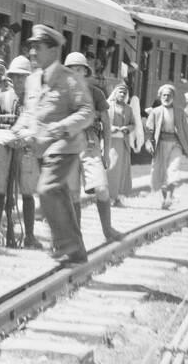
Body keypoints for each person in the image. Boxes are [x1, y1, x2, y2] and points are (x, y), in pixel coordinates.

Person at [12, 25, 94, 266]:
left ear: (53, 50)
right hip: (40, 147)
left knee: (47, 189)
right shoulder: (32, 80)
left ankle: (62, 244)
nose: (33, 53)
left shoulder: (71, 79)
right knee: (60, 196)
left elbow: (87, 111)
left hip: (64, 145)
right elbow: (29, 112)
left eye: (38, 48)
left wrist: (64, 126)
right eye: (31, 48)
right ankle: (77, 252)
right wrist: (15, 131)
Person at [64, 52, 123, 242]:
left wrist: (106, 153)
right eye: (71, 70)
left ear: (85, 71)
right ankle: (76, 235)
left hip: (90, 143)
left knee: (102, 188)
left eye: (79, 69)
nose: (75, 73)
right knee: (73, 193)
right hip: (68, 144)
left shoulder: (96, 93)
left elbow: (106, 123)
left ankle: (108, 230)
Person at [0, 55, 41, 248]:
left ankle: (29, 236)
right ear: (9, 77)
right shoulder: (0, 98)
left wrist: (25, 140)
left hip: (26, 151)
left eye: (23, 76)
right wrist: (2, 139)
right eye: (15, 76)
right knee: (0, 191)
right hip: (4, 150)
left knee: (27, 193)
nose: (18, 80)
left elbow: (40, 128)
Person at [145, 84, 188, 209]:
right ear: (160, 96)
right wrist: (149, 142)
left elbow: (186, 131)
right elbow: (149, 130)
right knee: (161, 172)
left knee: (173, 169)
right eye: (164, 95)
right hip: (160, 144)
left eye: (169, 95)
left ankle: (170, 196)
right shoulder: (155, 112)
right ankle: (165, 199)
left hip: (176, 145)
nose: (166, 97)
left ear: (173, 97)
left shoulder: (180, 111)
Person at [107, 83, 136, 207]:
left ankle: (117, 197)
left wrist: (127, 128)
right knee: (111, 169)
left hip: (123, 143)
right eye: (120, 92)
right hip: (110, 142)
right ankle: (107, 197)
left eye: (125, 93)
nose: (122, 94)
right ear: (115, 92)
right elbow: (101, 121)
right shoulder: (108, 106)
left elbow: (133, 124)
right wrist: (110, 128)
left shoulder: (128, 108)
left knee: (121, 171)